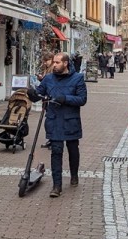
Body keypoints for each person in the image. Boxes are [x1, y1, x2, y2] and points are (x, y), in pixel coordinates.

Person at [27, 52, 88, 197]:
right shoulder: (48, 79)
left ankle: (74, 174)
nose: (54, 65)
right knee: (56, 151)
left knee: (73, 149)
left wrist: (65, 98)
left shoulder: (77, 78)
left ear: (65, 63)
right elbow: (39, 94)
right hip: (54, 119)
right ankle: (57, 186)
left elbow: (82, 99)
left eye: (57, 62)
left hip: (70, 119)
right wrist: (32, 94)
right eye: (53, 62)